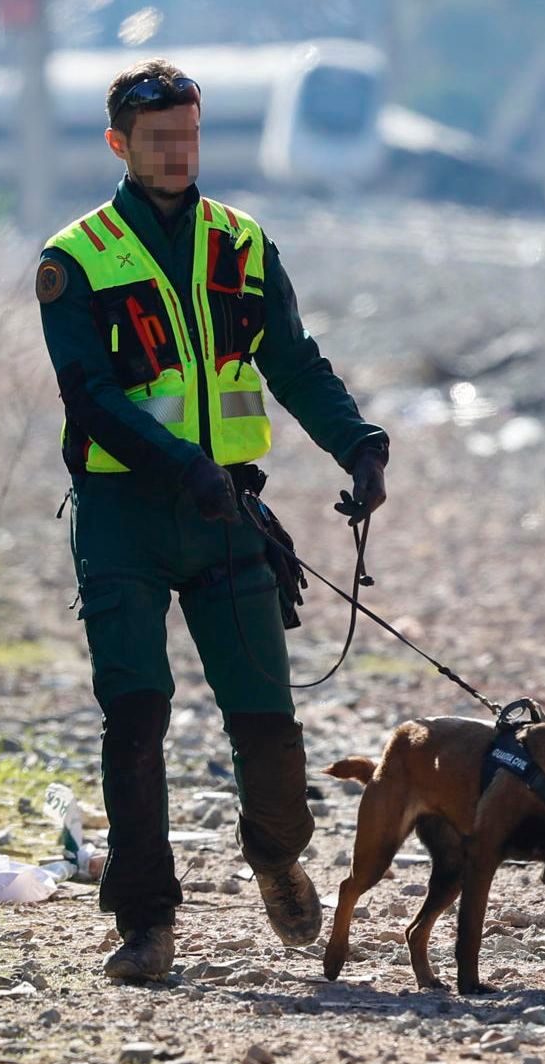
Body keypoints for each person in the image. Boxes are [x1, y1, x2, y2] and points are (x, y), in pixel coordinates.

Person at [36, 58, 389, 982]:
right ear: (119, 144)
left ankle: (275, 854)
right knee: (137, 715)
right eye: (158, 142)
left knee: (267, 723)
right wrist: (179, 465)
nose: (178, 154)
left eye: (188, 137)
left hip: (228, 511)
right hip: (123, 514)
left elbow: (295, 363)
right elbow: (88, 396)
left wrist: (359, 443)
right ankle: (147, 922)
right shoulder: (74, 261)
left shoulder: (243, 245)